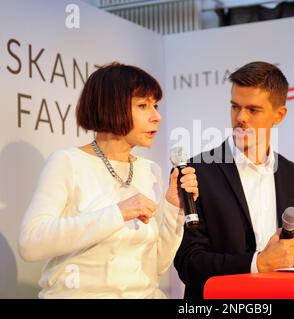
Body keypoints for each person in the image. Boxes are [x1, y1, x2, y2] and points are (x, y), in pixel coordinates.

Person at [19, 62, 199, 299]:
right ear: (111, 107)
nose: (157, 117)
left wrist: (173, 208)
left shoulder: (150, 170)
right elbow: (31, 243)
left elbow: (156, 265)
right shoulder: (67, 162)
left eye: (155, 106)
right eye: (143, 106)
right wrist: (117, 212)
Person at [174, 61, 294, 299]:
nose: (240, 118)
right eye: (235, 107)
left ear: (279, 114)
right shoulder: (196, 172)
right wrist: (257, 263)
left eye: (253, 110)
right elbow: (189, 263)